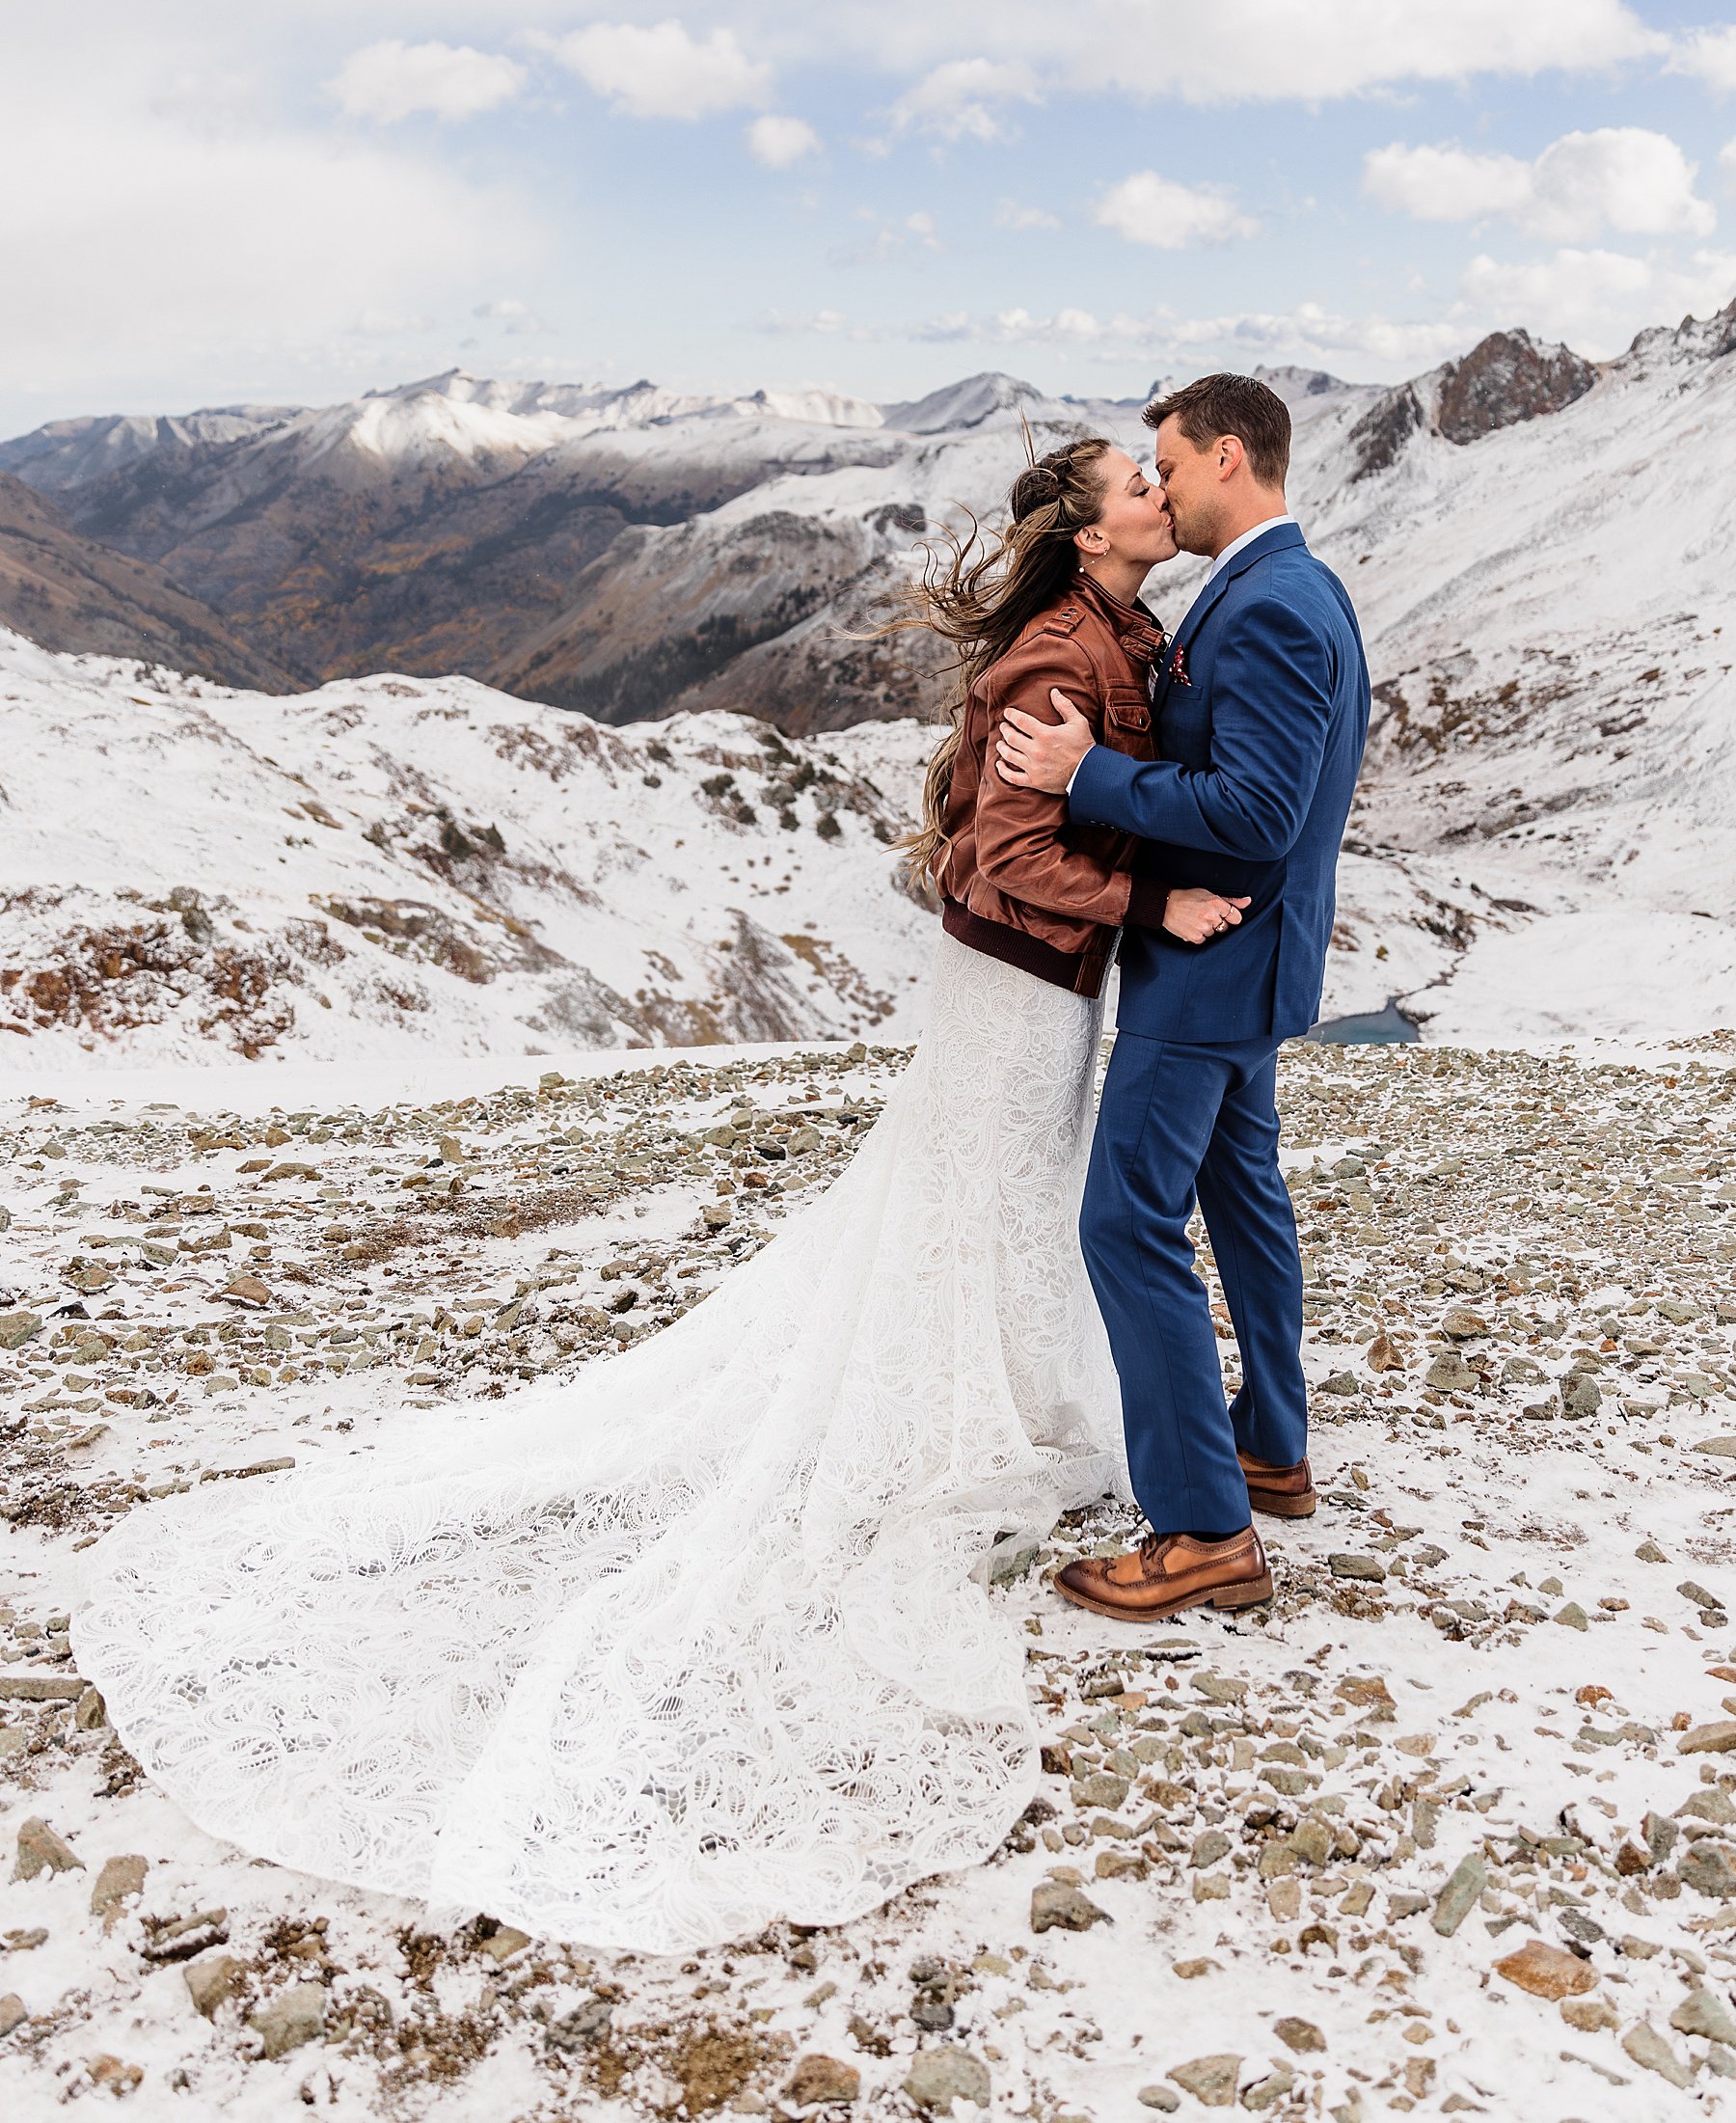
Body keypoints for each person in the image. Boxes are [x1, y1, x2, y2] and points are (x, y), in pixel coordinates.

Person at [71, 436, 1240, 1955]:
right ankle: (968, 1407)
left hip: (1031, 991)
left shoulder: (1118, 630)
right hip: (1017, 988)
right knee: (986, 1187)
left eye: (1161, 472)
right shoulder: (1059, 657)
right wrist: (1154, 896)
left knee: (1002, 1194)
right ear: (1089, 536)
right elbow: (1008, 854)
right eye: (1136, 481)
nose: (1161, 487)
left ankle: (999, 1388)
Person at [996, 375, 1370, 1623]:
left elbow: (1258, 813)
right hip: (1253, 965)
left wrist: (1087, 772)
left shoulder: (1265, 606)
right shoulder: (1293, 585)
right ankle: (1271, 1443)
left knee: (1124, 1224)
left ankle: (1205, 1529)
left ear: (1225, 456)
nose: (1159, 489)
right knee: (1241, 1194)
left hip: (1208, 971)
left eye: (1166, 465)